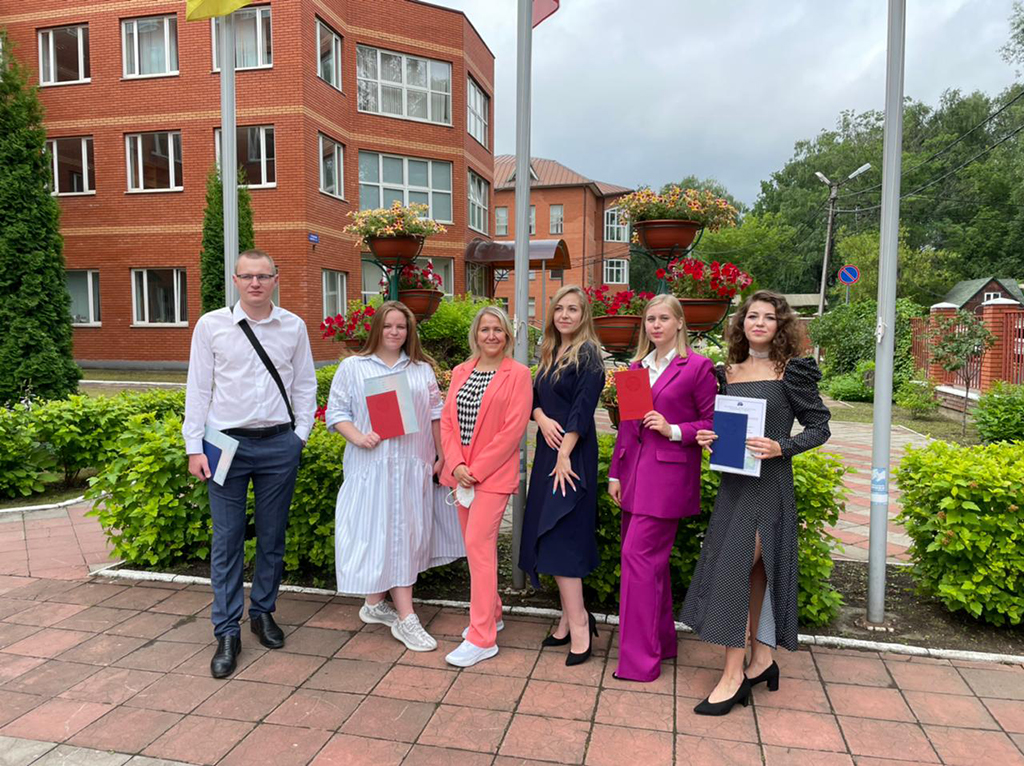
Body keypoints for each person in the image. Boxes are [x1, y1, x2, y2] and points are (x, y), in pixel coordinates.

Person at [681, 290, 831, 715]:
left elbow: (819, 427)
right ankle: (762, 660)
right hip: (734, 486)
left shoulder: (792, 371)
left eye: (768, 316)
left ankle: (732, 677)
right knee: (753, 574)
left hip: (770, 486)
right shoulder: (725, 372)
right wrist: (710, 438)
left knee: (732, 573)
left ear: (780, 325)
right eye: (752, 316)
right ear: (742, 324)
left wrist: (782, 446)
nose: (759, 322)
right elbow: (725, 427)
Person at [184, 249, 317, 678]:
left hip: (278, 444)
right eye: (248, 276)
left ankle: (262, 612)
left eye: (263, 276)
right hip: (225, 446)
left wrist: (299, 437)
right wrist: (193, 446)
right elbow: (198, 389)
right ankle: (227, 630)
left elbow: (305, 385)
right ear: (236, 281)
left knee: (272, 537)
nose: (255, 283)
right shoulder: (212, 326)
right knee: (227, 540)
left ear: (275, 279)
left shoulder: (293, 326)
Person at [326, 301, 463, 652]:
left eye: (401, 326)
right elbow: (337, 413)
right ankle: (406, 617)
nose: (394, 332)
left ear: (409, 331)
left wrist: (442, 456)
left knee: (404, 535)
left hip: (412, 466)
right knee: (383, 534)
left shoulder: (420, 370)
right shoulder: (353, 367)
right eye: (388, 325)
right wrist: (359, 437)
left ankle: (375, 605)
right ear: (377, 328)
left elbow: (435, 415)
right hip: (371, 467)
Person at [609, 294, 716, 683]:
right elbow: (627, 427)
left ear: (680, 323)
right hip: (634, 477)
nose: (655, 325)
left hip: (668, 479)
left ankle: (639, 662)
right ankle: (664, 642)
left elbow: (711, 423)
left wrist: (673, 430)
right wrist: (615, 474)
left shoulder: (698, 367)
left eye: (664, 318)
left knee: (636, 559)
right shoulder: (636, 368)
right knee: (649, 565)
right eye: (650, 319)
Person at [439, 306, 532, 667]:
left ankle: (482, 637)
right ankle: (492, 612)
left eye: (498, 329)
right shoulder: (461, 371)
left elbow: (513, 430)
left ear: (508, 335)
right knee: (474, 548)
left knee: (479, 547)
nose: (491, 335)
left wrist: (475, 470)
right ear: (475, 335)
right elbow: (448, 421)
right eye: (485, 329)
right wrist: (456, 464)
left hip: (491, 477)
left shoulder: (518, 374)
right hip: (460, 474)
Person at [519, 285, 605, 665]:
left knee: (562, 536)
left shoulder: (588, 354)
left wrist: (566, 453)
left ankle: (580, 624)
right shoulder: (549, 352)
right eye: (559, 309)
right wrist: (539, 417)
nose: (565, 315)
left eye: (573, 309)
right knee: (549, 533)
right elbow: (534, 399)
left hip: (573, 454)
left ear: (584, 316)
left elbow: (582, 410)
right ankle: (569, 619)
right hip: (548, 453)